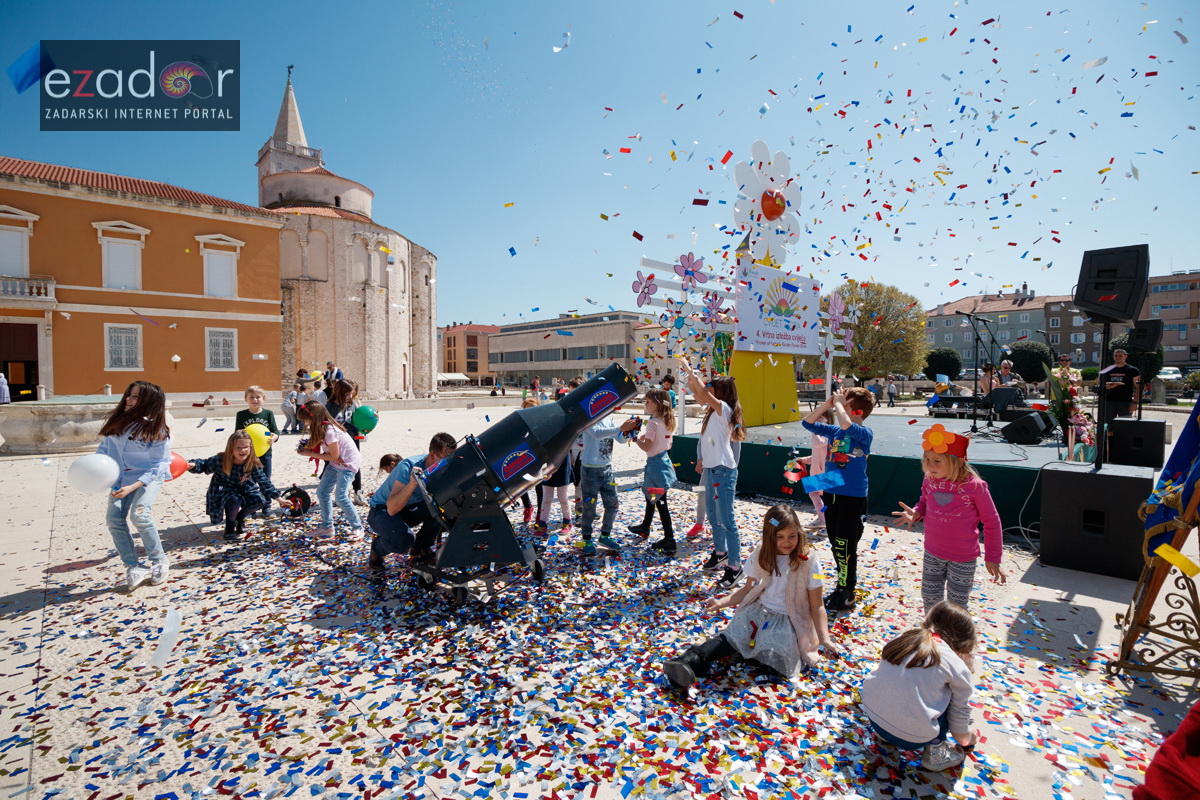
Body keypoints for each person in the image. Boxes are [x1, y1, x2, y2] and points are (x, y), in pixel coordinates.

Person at [661, 504, 838, 688]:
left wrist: (824, 638)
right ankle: (689, 660)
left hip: (787, 621)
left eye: (792, 536)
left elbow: (817, 605)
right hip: (757, 613)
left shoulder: (810, 562)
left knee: (775, 654)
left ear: (799, 533)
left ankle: (754, 653)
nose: (787, 542)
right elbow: (748, 589)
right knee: (730, 638)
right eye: (780, 537)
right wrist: (721, 602)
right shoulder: (762, 554)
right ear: (769, 536)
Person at [892, 425, 1006, 612]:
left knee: (957, 606)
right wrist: (916, 512)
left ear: (957, 462)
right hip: (932, 552)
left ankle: (953, 631)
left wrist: (993, 556)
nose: (930, 466)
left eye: (937, 461)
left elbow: (992, 522)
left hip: (963, 558)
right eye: (927, 460)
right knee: (930, 598)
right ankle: (933, 628)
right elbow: (924, 503)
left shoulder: (975, 486)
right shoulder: (930, 479)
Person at [860, 601, 979, 772]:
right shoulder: (956, 665)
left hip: (875, 719)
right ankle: (936, 752)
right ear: (965, 642)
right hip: (912, 737)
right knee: (948, 695)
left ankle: (885, 735)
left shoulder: (904, 637)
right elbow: (959, 726)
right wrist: (968, 737)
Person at [801, 387, 874, 613]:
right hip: (833, 489)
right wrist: (828, 404)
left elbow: (847, 425)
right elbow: (807, 423)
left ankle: (847, 592)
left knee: (846, 545)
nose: (838, 404)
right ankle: (841, 586)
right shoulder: (834, 431)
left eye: (845, 403)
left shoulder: (864, 433)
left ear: (857, 411)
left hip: (853, 495)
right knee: (836, 542)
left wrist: (840, 405)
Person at [678, 354, 748, 590]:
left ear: (722, 392)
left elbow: (703, 393)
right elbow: (698, 393)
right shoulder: (712, 410)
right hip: (711, 469)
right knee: (713, 516)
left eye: (713, 386)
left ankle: (736, 567)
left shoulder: (724, 408)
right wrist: (690, 377)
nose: (708, 389)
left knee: (727, 520)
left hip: (724, 471)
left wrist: (690, 370)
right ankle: (720, 553)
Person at [96, 381, 172, 590]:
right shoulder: (117, 421)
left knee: (140, 515)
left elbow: (158, 465)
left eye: (136, 396)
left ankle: (159, 560)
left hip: (148, 477)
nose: (128, 399)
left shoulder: (156, 428)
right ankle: (133, 566)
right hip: (120, 477)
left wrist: (132, 487)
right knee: (114, 519)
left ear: (149, 401)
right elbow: (104, 448)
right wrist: (96, 468)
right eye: (129, 394)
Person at [367, 433, 458, 571]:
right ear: (432, 455)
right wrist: (412, 483)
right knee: (404, 541)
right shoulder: (408, 467)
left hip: (409, 509)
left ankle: (421, 547)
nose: (448, 463)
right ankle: (377, 547)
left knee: (441, 506)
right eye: (446, 458)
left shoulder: (441, 467)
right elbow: (392, 508)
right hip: (382, 510)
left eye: (451, 458)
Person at [188, 431, 284, 541]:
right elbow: (205, 464)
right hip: (224, 488)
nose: (242, 450)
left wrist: (280, 499)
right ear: (231, 448)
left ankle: (240, 518)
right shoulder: (221, 459)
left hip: (244, 488)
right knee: (234, 499)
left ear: (250, 447)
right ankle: (230, 526)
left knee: (260, 500)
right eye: (238, 447)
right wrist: (193, 465)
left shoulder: (252, 461)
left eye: (245, 447)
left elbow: (264, 481)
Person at [296, 401, 364, 542]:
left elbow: (334, 456)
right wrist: (306, 446)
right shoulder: (321, 428)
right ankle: (327, 527)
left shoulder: (330, 432)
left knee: (341, 497)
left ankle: (358, 527)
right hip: (336, 463)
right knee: (322, 492)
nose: (305, 424)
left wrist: (310, 454)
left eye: (306, 420)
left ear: (314, 418)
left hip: (347, 464)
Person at [578, 410, 639, 555]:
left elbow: (620, 439)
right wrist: (621, 428)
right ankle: (586, 539)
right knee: (589, 507)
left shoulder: (609, 419)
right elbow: (597, 433)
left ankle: (605, 535)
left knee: (613, 504)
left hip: (607, 469)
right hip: (590, 469)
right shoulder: (589, 418)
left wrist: (628, 431)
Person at [629, 387, 678, 553]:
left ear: (657, 403)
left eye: (648, 401)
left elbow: (647, 447)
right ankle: (645, 526)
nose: (646, 404)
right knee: (651, 496)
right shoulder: (668, 420)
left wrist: (635, 438)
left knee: (661, 502)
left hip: (655, 465)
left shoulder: (652, 423)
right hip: (664, 461)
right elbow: (662, 440)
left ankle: (669, 539)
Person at [325, 379, 366, 505]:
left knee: (355, 465)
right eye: (347, 394)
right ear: (339, 392)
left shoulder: (352, 404)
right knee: (335, 466)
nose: (350, 396)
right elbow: (326, 424)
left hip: (352, 440)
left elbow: (357, 421)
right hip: (335, 442)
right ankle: (342, 494)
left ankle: (358, 492)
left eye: (351, 393)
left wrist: (362, 430)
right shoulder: (330, 406)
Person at [236, 386, 280, 483]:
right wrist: (239, 432)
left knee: (266, 479)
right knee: (248, 480)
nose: (255, 400)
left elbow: (274, 431)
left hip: (265, 451)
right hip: (247, 452)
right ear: (246, 399)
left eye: (258, 397)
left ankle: (266, 494)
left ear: (264, 398)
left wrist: (274, 437)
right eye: (251, 397)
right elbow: (236, 432)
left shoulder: (268, 414)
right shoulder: (241, 415)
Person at [800, 409, 833, 532]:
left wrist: (813, 429)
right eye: (816, 416)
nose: (816, 419)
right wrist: (804, 460)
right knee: (813, 494)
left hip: (829, 471)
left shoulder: (829, 433)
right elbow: (818, 454)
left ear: (827, 419)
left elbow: (819, 443)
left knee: (830, 498)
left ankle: (827, 522)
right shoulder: (819, 433)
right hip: (818, 471)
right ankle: (822, 519)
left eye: (820, 417)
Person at [532, 445, 574, 535]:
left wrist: (571, 454)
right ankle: (542, 524)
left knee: (562, 497)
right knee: (546, 498)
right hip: (547, 463)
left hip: (562, 463)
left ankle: (567, 522)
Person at [1103, 348, 1141, 423]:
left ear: (1125, 356)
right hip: (1109, 402)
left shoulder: (1133, 370)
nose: (1118, 357)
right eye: (1116, 356)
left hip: (1125, 402)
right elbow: (1100, 384)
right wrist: (1109, 386)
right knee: (1107, 424)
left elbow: (1138, 387)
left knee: (1125, 425)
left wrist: (1135, 402)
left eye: (1120, 355)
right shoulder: (1107, 370)